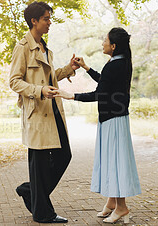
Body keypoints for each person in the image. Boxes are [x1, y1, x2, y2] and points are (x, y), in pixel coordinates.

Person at [55, 27, 141, 224]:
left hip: (112, 120)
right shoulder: (120, 62)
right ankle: (112, 202)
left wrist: (71, 95)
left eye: (105, 40)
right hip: (115, 119)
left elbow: (98, 94)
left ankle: (122, 208)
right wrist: (86, 68)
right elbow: (105, 83)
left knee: (115, 162)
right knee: (113, 160)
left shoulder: (114, 65)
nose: (102, 43)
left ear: (113, 46)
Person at [9, 1, 79, 223]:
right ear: (34, 21)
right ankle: (43, 212)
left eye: (50, 18)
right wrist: (38, 91)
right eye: (46, 19)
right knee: (38, 164)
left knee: (64, 155)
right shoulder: (23, 48)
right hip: (37, 112)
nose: (50, 23)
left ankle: (30, 191)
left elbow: (49, 77)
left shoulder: (45, 48)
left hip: (54, 110)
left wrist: (69, 69)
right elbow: (14, 82)